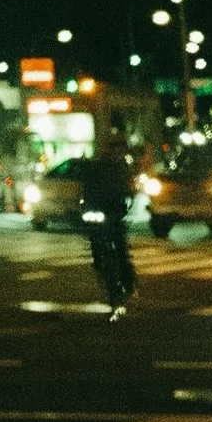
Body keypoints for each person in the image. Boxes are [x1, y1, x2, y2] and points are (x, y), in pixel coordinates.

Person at [80, 127, 137, 317]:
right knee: (96, 242)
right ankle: (100, 268)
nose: (115, 151)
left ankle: (128, 281)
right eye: (112, 147)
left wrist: (126, 202)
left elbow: (127, 190)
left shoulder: (121, 168)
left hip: (114, 213)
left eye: (118, 147)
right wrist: (85, 205)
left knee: (120, 247)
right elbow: (87, 188)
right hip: (98, 212)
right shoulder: (97, 167)